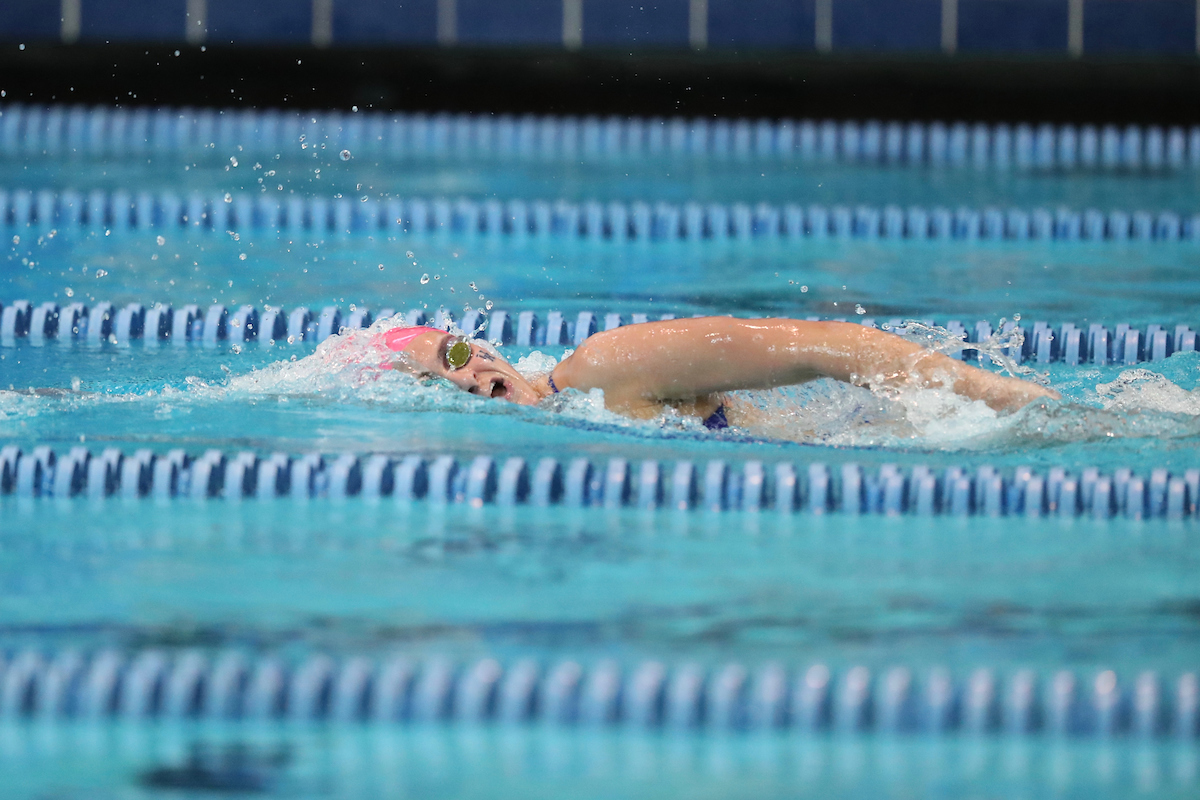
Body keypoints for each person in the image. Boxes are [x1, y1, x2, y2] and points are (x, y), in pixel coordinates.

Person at [377, 317, 1059, 429]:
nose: (461, 381)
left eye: (455, 356)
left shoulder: (604, 368)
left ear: (484, 347)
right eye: (432, 386)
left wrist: (1017, 401)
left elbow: (830, 344)